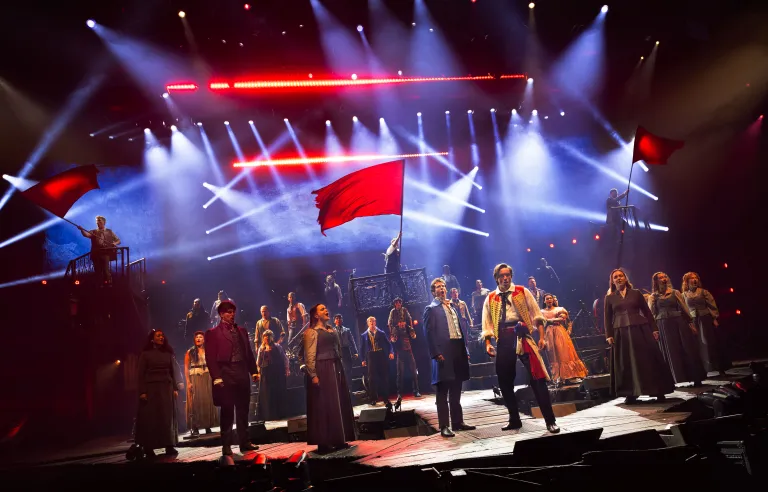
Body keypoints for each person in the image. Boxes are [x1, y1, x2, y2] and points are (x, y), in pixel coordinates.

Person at [482, 264, 559, 434]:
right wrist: (488, 343)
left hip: (522, 335)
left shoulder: (522, 291)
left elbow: (537, 315)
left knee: (537, 377)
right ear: (496, 278)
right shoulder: (491, 297)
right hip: (503, 339)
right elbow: (487, 323)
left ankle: (550, 420)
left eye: (508, 275)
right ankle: (514, 419)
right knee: (504, 381)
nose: (505, 278)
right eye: (502, 275)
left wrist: (542, 337)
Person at [604, 268, 674, 404]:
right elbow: (607, 318)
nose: (618, 278)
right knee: (626, 363)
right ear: (612, 281)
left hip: (640, 329)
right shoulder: (610, 298)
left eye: (621, 276)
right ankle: (630, 393)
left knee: (647, 359)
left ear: (625, 278)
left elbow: (647, 312)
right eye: (615, 277)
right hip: (621, 333)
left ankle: (657, 390)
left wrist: (654, 329)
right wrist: (609, 335)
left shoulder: (636, 293)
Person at [204, 299, 260, 456]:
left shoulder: (241, 331)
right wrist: (216, 376)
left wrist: (253, 371)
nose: (232, 314)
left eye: (233, 311)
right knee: (227, 410)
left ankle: (245, 442)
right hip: (226, 373)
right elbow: (210, 357)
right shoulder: (213, 333)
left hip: (241, 371)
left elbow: (248, 352)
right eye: (229, 312)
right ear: (221, 314)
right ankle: (226, 445)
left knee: (243, 409)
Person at [424, 278, 475, 438]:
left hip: (457, 348)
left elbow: (460, 330)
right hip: (443, 351)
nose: (442, 288)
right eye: (438, 287)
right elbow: (428, 333)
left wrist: (464, 349)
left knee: (456, 386)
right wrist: (435, 353)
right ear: (433, 291)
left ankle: (458, 422)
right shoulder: (431, 309)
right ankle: (444, 425)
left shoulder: (452, 307)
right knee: (442, 389)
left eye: (443, 286)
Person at [303, 304, 356, 454]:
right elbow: (309, 355)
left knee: (337, 402)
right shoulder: (311, 332)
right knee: (324, 404)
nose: (326, 310)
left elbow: (337, 349)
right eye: (322, 309)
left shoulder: (331, 330)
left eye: (326, 308)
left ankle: (339, 439)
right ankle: (324, 442)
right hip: (322, 368)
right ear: (315, 315)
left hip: (335, 366)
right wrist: (313, 375)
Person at [649, 273, 706, 386]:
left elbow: (684, 308)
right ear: (656, 281)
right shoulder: (653, 297)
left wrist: (690, 322)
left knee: (687, 349)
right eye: (660, 278)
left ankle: (696, 377)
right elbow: (652, 314)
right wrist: (654, 329)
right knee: (671, 352)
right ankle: (674, 380)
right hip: (663, 326)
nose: (663, 279)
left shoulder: (675, 292)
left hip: (679, 323)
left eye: (665, 277)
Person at [136, 329, 179, 457]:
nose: (161, 337)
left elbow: (173, 371)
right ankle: (149, 447)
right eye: (158, 335)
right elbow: (140, 374)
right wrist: (142, 391)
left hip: (166, 387)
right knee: (151, 418)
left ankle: (169, 445)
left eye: (162, 335)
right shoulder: (145, 354)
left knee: (167, 417)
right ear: (152, 339)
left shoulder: (168, 354)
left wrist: (175, 388)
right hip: (151, 389)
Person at [682, 272, 730, 376]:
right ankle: (703, 370)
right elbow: (684, 310)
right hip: (693, 321)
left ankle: (720, 368)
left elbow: (712, 306)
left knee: (711, 343)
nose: (695, 280)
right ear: (687, 281)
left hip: (705, 320)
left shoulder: (704, 292)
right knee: (698, 346)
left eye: (696, 278)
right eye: (692, 278)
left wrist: (714, 318)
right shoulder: (684, 295)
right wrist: (688, 323)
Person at [542, 294, 588, 385]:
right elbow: (539, 322)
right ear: (544, 301)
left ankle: (571, 375)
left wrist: (549, 320)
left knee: (564, 352)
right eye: (547, 299)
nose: (549, 300)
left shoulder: (559, 309)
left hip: (559, 331)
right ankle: (558, 377)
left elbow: (562, 318)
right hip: (549, 333)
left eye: (550, 298)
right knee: (553, 354)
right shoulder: (541, 311)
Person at [184, 331, 219, 438]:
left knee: (207, 400)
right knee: (196, 401)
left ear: (204, 339)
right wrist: (188, 382)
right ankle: (195, 427)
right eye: (197, 337)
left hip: (207, 376)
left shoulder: (208, 350)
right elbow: (186, 368)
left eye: (200, 337)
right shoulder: (190, 352)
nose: (198, 339)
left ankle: (207, 426)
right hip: (195, 376)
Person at [388, 298, 421, 398]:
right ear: (394, 304)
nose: (398, 304)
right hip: (400, 351)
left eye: (399, 303)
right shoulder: (393, 312)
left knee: (413, 370)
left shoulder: (405, 310)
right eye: (396, 303)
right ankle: (399, 393)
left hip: (408, 349)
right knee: (400, 373)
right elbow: (390, 323)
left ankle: (416, 390)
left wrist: (408, 325)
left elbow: (410, 319)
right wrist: (395, 327)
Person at [360, 316, 394, 406]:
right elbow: (362, 348)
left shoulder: (381, 333)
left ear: (375, 322)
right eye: (370, 321)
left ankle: (385, 398)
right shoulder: (364, 335)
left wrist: (391, 352)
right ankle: (373, 398)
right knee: (372, 378)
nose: (372, 323)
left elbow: (389, 344)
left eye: (373, 321)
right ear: (368, 323)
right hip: (370, 356)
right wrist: (363, 359)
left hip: (380, 355)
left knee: (383, 376)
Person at [256, 330, 290, 421]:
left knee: (277, 392)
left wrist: (287, 369)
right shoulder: (261, 348)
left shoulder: (277, 346)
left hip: (276, 372)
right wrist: (258, 372)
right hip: (266, 373)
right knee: (267, 393)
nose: (266, 338)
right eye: (265, 336)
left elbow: (285, 358)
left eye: (268, 336)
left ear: (271, 337)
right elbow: (258, 362)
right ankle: (267, 414)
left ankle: (279, 413)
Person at [78, 215, 120, 286]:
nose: (98, 223)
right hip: (96, 254)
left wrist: (114, 243)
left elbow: (118, 240)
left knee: (106, 270)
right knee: (97, 271)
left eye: (99, 221)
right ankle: (100, 286)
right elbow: (86, 234)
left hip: (105, 253)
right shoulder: (93, 231)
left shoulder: (109, 231)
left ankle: (109, 285)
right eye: (97, 221)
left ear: (104, 222)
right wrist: (82, 230)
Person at [333, 314, 359, 389]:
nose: (338, 320)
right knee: (339, 370)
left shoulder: (347, 330)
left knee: (348, 370)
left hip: (346, 350)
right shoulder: (332, 331)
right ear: (334, 321)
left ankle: (349, 387)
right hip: (337, 351)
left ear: (342, 320)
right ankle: (341, 388)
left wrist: (355, 352)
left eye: (340, 318)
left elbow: (352, 341)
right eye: (337, 318)